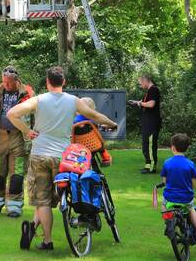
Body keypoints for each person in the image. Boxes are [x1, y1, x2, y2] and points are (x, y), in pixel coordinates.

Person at [8, 66, 117, 251]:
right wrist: (113, 123)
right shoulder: (73, 101)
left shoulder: (39, 100)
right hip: (63, 158)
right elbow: (95, 115)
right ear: (64, 82)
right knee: (62, 197)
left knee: (43, 201)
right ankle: (38, 227)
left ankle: (47, 241)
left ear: (47, 82)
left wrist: (26, 131)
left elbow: (12, 114)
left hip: (40, 155)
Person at [0, 66, 35, 217]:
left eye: (9, 83)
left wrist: (34, 133)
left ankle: (14, 207)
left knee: (17, 175)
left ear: (17, 80)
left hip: (19, 137)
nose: (6, 85)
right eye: (4, 81)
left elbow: (36, 114)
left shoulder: (28, 93)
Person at [161, 133, 196, 242]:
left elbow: (164, 181)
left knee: (164, 205)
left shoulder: (167, 163)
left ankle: (168, 222)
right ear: (187, 148)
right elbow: (193, 185)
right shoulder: (190, 164)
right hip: (185, 198)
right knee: (191, 209)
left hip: (170, 197)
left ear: (173, 147)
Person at [128, 75, 161, 174]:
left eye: (140, 83)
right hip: (148, 123)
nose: (140, 85)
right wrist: (136, 102)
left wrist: (140, 103)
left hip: (152, 123)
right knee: (146, 145)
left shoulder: (153, 90)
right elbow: (145, 103)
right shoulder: (149, 91)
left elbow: (151, 104)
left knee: (150, 145)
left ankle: (152, 167)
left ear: (145, 81)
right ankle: (147, 165)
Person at [72, 97, 112, 166]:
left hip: (81, 146)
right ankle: (106, 158)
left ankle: (83, 164)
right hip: (95, 144)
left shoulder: (75, 121)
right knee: (101, 145)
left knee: (82, 152)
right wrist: (109, 128)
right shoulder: (93, 120)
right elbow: (100, 128)